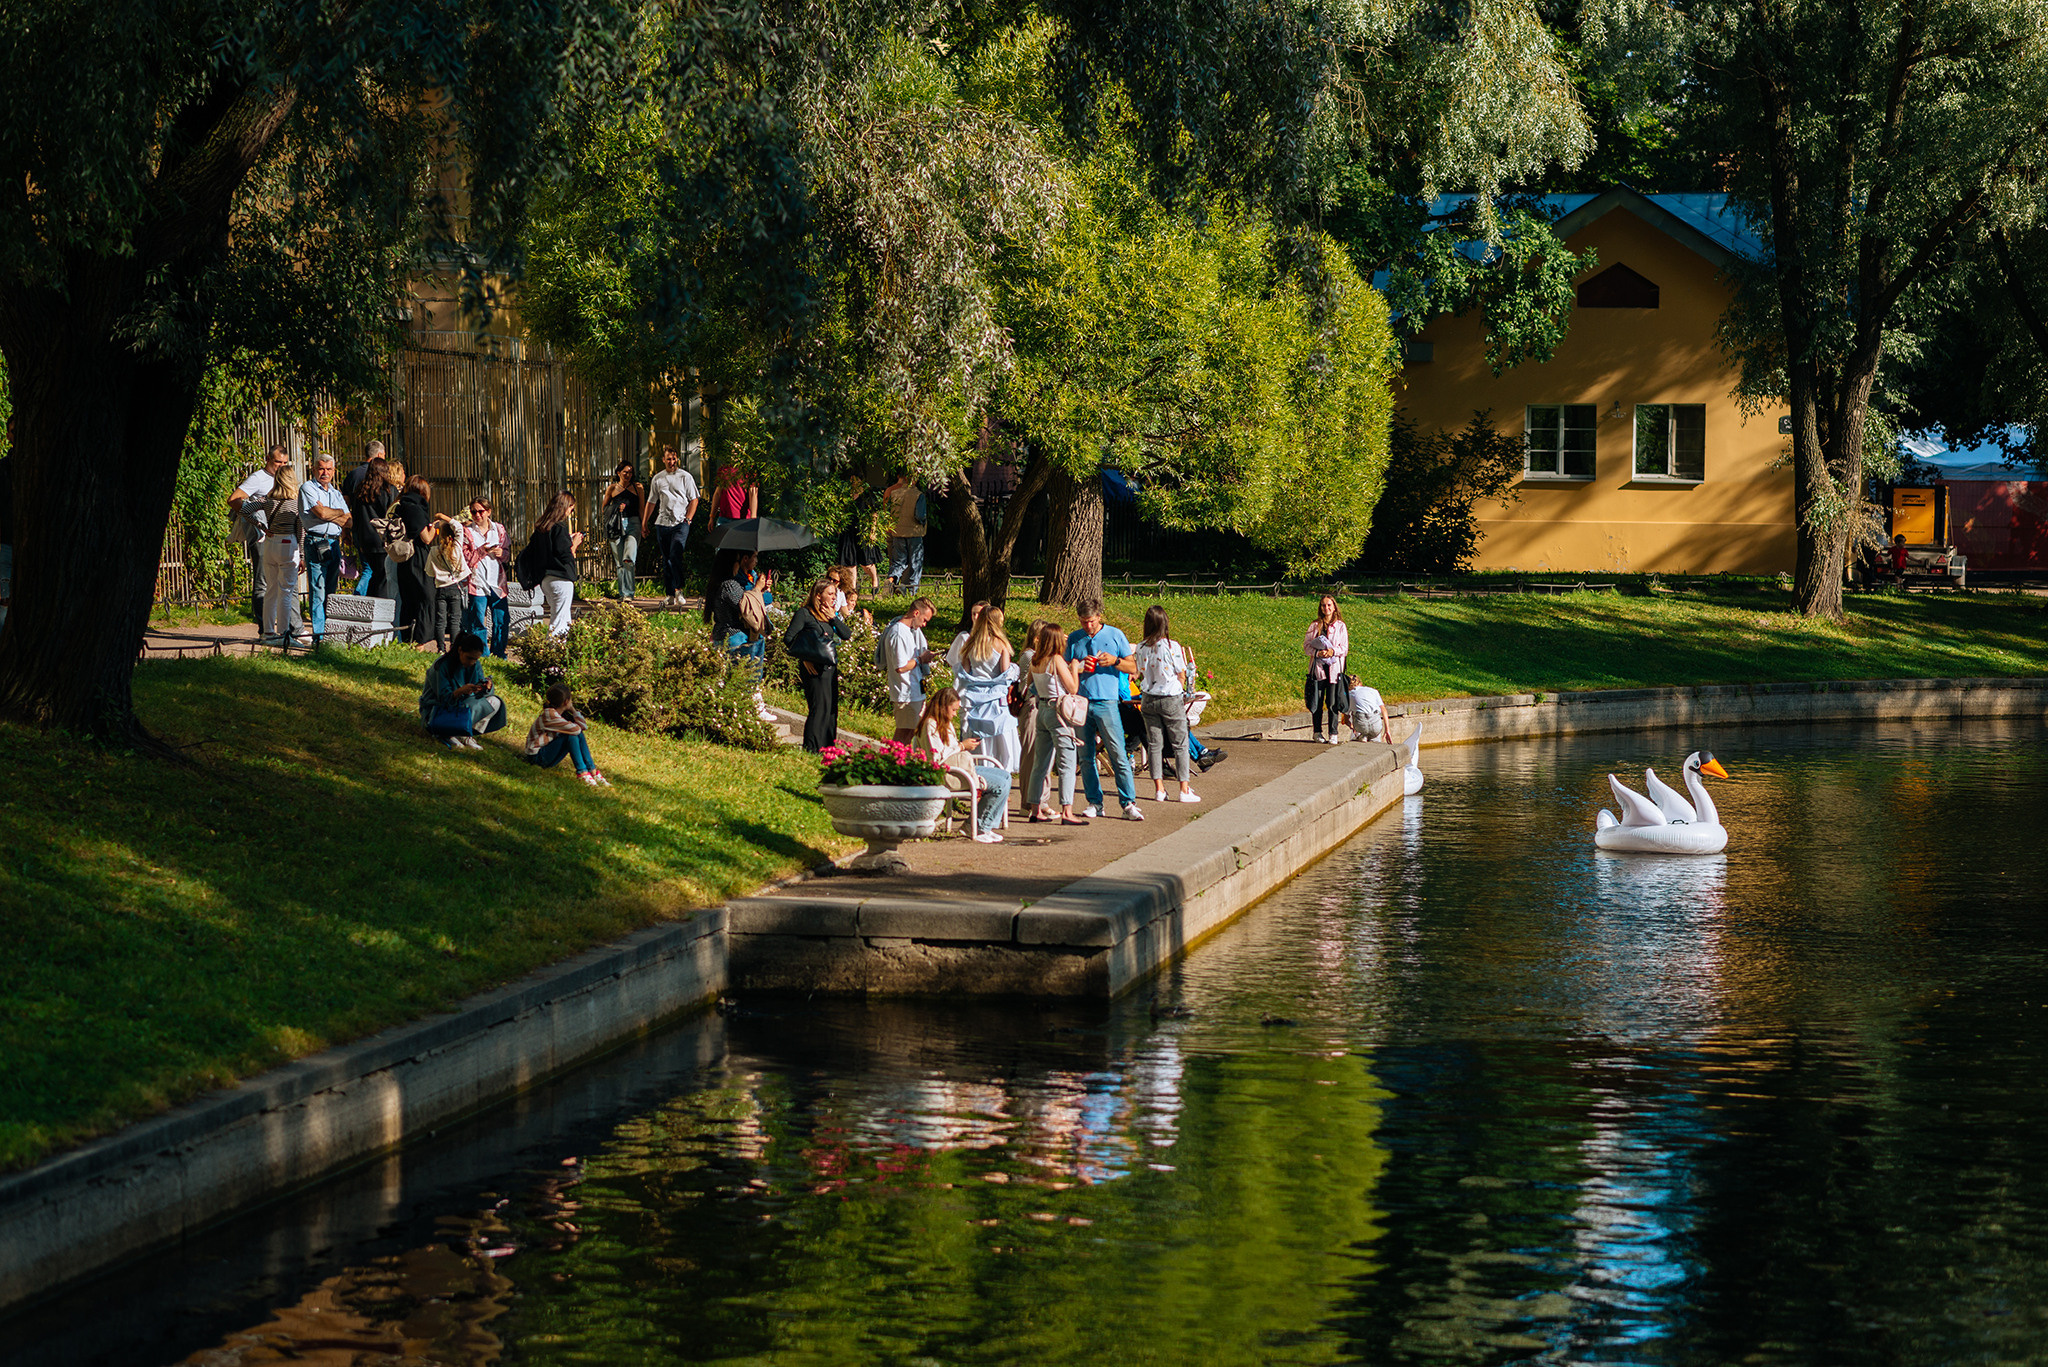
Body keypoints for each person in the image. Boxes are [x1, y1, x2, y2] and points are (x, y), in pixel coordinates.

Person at [1066, 598, 1143, 821]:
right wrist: (1079, 666)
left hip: (1107, 702)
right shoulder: (1074, 638)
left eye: (1091, 621)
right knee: (1086, 756)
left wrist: (1114, 660)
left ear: (1099, 617)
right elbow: (1066, 667)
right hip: (1081, 702)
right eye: (1083, 622)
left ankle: (1128, 803)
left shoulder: (1115, 635)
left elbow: (1133, 666)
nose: (1087, 626)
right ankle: (1095, 802)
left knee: (1117, 752)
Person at [919, 687, 1009, 843]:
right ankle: (978, 826)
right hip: (949, 772)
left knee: (1005, 776)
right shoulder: (930, 725)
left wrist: (963, 747)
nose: (955, 714)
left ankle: (984, 825)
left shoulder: (945, 723)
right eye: (953, 710)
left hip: (959, 767)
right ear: (943, 706)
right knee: (1000, 784)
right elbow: (937, 757)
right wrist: (962, 746)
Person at [1024, 621, 1088, 825]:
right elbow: (1072, 689)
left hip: (1041, 709)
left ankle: (1035, 809)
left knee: (1040, 763)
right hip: (1058, 712)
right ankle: (1067, 810)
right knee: (1067, 762)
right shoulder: (1056, 659)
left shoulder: (1035, 659)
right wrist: (1075, 668)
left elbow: (1028, 683)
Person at [1135, 604, 1199, 803]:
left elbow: (1141, 671)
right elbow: (1181, 672)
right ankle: (1184, 788)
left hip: (1148, 697)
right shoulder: (1172, 646)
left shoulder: (1140, 647)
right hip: (1170, 697)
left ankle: (1159, 789)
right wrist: (1180, 685)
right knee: (1180, 743)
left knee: (1154, 744)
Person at [706, 548, 777, 721]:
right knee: (746, 675)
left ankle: (739, 709)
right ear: (735, 562)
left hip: (728, 635)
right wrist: (759, 589)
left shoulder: (721, 583)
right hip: (735, 636)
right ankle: (752, 709)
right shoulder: (729, 585)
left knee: (732, 675)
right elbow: (747, 605)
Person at [785, 579, 852, 751]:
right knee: (818, 707)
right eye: (830, 594)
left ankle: (828, 746)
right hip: (813, 668)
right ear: (818, 595)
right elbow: (789, 638)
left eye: (835, 594)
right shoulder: (804, 613)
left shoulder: (830, 615)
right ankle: (812, 747)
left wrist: (834, 618)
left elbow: (846, 634)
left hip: (829, 668)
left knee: (830, 708)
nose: (833, 598)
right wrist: (805, 658)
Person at [955, 606, 1021, 774]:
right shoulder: (1000, 644)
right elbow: (1005, 673)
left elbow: (965, 672)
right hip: (996, 701)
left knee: (980, 741)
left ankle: (981, 776)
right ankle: (1001, 776)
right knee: (1000, 740)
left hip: (976, 699)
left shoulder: (971, 643)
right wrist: (1015, 669)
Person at [227, 444, 289, 623]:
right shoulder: (258, 478)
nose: (281, 466)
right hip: (262, 537)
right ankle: (262, 623)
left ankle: (275, 619)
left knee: (279, 579)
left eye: (285, 462)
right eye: (278, 462)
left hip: (280, 536)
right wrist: (256, 521)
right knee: (262, 579)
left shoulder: (283, 478)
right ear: (268, 460)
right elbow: (233, 499)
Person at [418, 630, 508, 751]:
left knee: (495, 702)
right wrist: (459, 691)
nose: (472, 663)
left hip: (463, 705)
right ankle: (448, 733)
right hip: (438, 710)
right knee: (472, 705)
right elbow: (443, 698)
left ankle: (465, 733)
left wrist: (486, 687)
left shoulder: (475, 665)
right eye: (469, 658)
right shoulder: (441, 666)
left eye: (475, 659)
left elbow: (481, 693)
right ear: (460, 650)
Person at [297, 454, 351, 644]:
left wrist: (330, 513)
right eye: (321, 469)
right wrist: (335, 513)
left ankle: (329, 633)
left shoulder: (335, 493)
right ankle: (319, 636)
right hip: (316, 542)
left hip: (335, 543)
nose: (325, 473)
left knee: (331, 590)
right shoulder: (307, 488)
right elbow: (320, 513)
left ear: (334, 471)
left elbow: (349, 520)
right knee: (317, 589)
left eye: (328, 469)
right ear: (313, 470)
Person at [394, 474, 452, 646]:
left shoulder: (401, 505)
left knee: (408, 599)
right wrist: (436, 528)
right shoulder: (416, 508)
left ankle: (407, 639)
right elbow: (425, 538)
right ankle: (421, 640)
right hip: (418, 558)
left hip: (404, 559)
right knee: (426, 597)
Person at [254, 464, 308, 645]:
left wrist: (262, 527)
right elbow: (301, 530)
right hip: (288, 544)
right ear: (292, 481)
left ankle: (268, 633)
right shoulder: (296, 503)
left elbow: (245, 509)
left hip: (270, 543)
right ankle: (284, 634)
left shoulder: (267, 500)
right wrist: (301, 555)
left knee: (270, 590)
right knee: (286, 591)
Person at [642, 445, 700, 609]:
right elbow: (651, 502)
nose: (672, 462)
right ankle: (669, 593)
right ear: (663, 460)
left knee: (676, 555)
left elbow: (694, 499)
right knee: (666, 559)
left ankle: (679, 590)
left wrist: (688, 519)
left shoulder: (685, 477)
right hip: (662, 523)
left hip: (680, 523)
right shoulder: (658, 479)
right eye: (669, 459)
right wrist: (644, 523)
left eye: (674, 459)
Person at [524, 491, 583, 637]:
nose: (570, 512)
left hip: (546, 579)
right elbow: (566, 556)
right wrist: (574, 544)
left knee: (557, 617)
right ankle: (555, 653)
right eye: (571, 508)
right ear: (565, 507)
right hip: (561, 579)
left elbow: (545, 550)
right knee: (561, 621)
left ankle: (554, 650)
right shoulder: (560, 527)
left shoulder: (542, 528)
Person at [525, 683, 608, 785]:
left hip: (544, 755)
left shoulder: (554, 714)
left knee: (575, 733)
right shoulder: (549, 715)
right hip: (536, 758)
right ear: (566, 702)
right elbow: (577, 729)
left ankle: (592, 771)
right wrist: (573, 710)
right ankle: (582, 772)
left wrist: (573, 711)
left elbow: (583, 727)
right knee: (571, 735)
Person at [881, 596, 940, 742]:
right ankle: (893, 761)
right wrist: (921, 659)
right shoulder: (898, 633)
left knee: (911, 733)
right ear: (916, 613)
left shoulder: (909, 632)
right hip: (905, 692)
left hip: (914, 691)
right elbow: (900, 667)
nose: (924, 624)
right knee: (904, 734)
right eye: (924, 620)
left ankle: (899, 761)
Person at [460, 496, 511, 656]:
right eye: (473, 512)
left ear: (488, 512)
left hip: (497, 582)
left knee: (501, 620)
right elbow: (465, 558)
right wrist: (481, 551)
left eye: (480, 511)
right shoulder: (468, 532)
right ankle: (482, 654)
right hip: (477, 582)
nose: (477, 515)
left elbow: (508, 554)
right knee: (477, 622)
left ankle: (499, 653)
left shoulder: (499, 530)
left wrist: (502, 553)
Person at [339, 442, 388, 597]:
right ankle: (358, 600)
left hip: (360, 531)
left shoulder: (353, 476)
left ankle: (363, 601)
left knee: (368, 568)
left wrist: (346, 530)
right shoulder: (383, 484)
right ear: (380, 455)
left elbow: (345, 506)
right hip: (379, 535)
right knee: (372, 572)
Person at [1303, 594, 1349, 744]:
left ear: (1334, 607)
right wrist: (1318, 653)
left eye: (1329, 605)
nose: (1326, 608)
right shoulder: (1314, 625)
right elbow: (1307, 646)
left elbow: (1345, 648)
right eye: (1323, 605)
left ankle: (1333, 733)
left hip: (1334, 670)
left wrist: (1333, 651)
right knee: (1317, 701)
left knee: (1332, 702)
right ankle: (1317, 732)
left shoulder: (1341, 626)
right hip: (1318, 669)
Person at [424, 506, 469, 652]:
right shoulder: (456, 548)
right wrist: (444, 517)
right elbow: (459, 528)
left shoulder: (434, 551)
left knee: (440, 621)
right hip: (455, 587)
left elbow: (429, 572)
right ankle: (454, 649)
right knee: (455, 621)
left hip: (440, 588)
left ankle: (441, 648)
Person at [601, 459, 645, 601]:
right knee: (620, 561)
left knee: (629, 558)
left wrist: (644, 525)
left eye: (630, 472)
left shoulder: (638, 487)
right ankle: (623, 593)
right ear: (618, 473)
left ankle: (629, 593)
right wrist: (616, 507)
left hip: (633, 523)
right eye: (625, 472)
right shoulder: (612, 489)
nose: (628, 475)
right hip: (616, 526)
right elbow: (604, 509)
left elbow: (642, 508)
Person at [835, 474, 884, 590]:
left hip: (863, 531)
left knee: (866, 563)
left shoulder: (867, 496)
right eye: (851, 479)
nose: (853, 482)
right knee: (850, 562)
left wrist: (873, 531)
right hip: (848, 532)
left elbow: (874, 514)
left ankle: (874, 580)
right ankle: (853, 590)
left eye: (855, 479)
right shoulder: (846, 495)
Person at [883, 471, 926, 595]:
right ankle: (911, 589)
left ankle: (891, 580)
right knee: (915, 562)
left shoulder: (894, 493)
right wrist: (923, 522)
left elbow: (888, 511)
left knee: (898, 562)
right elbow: (920, 515)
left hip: (898, 532)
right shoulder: (919, 495)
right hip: (914, 533)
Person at [713, 462, 757, 529]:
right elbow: (718, 493)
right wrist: (712, 515)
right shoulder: (724, 469)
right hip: (724, 518)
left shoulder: (749, 470)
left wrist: (753, 518)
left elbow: (753, 494)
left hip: (742, 518)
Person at [945, 600, 988, 669]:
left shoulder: (994, 640)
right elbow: (952, 661)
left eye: (979, 614)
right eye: (973, 614)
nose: (976, 617)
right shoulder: (964, 637)